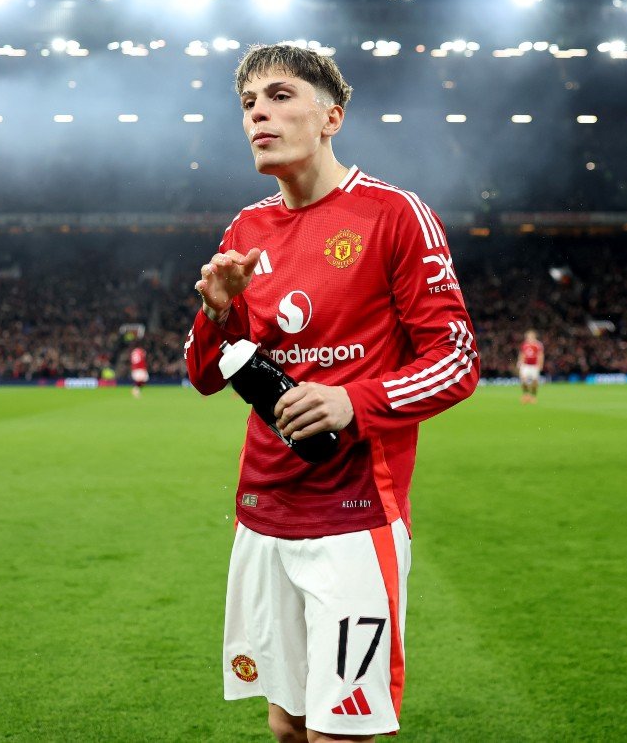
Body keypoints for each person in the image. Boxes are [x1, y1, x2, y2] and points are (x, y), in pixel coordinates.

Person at [184, 43, 479, 742]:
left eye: (281, 96)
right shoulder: (246, 230)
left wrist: (355, 401)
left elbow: (458, 358)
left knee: (338, 735)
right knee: (287, 725)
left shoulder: (394, 216)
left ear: (332, 116)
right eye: (249, 103)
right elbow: (205, 373)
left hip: (352, 517)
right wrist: (217, 313)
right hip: (262, 512)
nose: (259, 112)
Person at [517, 329, 544, 403]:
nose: (529, 338)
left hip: (534, 365)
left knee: (535, 382)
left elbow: (540, 355)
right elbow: (522, 354)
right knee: (523, 380)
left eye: (531, 336)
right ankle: (526, 395)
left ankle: (533, 396)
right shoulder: (524, 344)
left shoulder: (538, 345)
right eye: (528, 337)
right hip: (525, 365)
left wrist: (540, 364)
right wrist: (520, 362)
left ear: (534, 337)